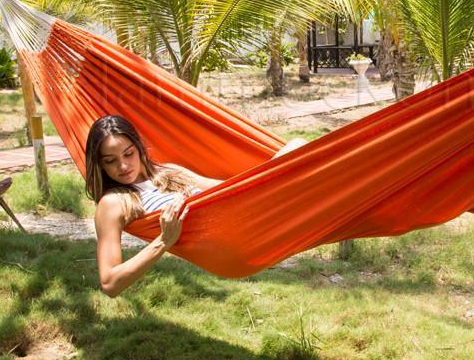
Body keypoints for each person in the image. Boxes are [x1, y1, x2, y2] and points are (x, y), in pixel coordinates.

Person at [86, 115, 309, 297]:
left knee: (299, 147)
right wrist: (163, 241)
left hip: (248, 215)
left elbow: (229, 190)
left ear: (139, 147)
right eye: (110, 160)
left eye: (128, 153)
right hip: (234, 245)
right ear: (100, 165)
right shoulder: (113, 203)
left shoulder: (171, 172)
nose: (123, 165)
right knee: (298, 155)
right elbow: (110, 284)